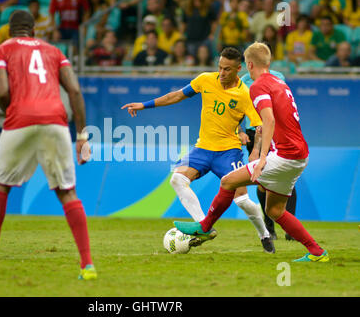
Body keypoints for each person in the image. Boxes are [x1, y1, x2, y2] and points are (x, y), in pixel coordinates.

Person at [175, 42, 329, 262]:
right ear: (268, 62)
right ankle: (317, 252)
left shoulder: (257, 86)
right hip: (300, 155)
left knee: (228, 181)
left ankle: (204, 227)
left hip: (282, 155)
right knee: (275, 211)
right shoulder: (280, 82)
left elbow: (268, 120)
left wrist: (262, 156)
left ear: (248, 64)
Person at [0, 10, 97, 280]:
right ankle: (87, 265)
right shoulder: (54, 51)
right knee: (67, 192)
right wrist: (82, 137)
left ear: (9, 31)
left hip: (20, 120)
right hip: (55, 121)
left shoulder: (1, 50)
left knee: (0, 187)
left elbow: (2, 91)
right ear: (34, 31)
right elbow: (74, 91)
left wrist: (11, 111)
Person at [122, 47, 275, 253]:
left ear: (239, 69)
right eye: (220, 67)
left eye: (227, 69)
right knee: (177, 179)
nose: (221, 73)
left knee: (242, 200)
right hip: (202, 148)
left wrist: (255, 150)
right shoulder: (205, 80)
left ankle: (264, 234)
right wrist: (144, 104)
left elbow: (259, 126)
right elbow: (176, 96)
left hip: (228, 151)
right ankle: (204, 226)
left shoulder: (245, 94)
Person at [240, 66, 298, 241]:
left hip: (275, 131)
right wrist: (239, 130)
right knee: (262, 181)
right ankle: (269, 228)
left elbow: (282, 105)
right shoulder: (244, 80)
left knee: (287, 179)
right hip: (254, 132)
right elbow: (239, 107)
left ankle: (291, 229)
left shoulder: (278, 76)